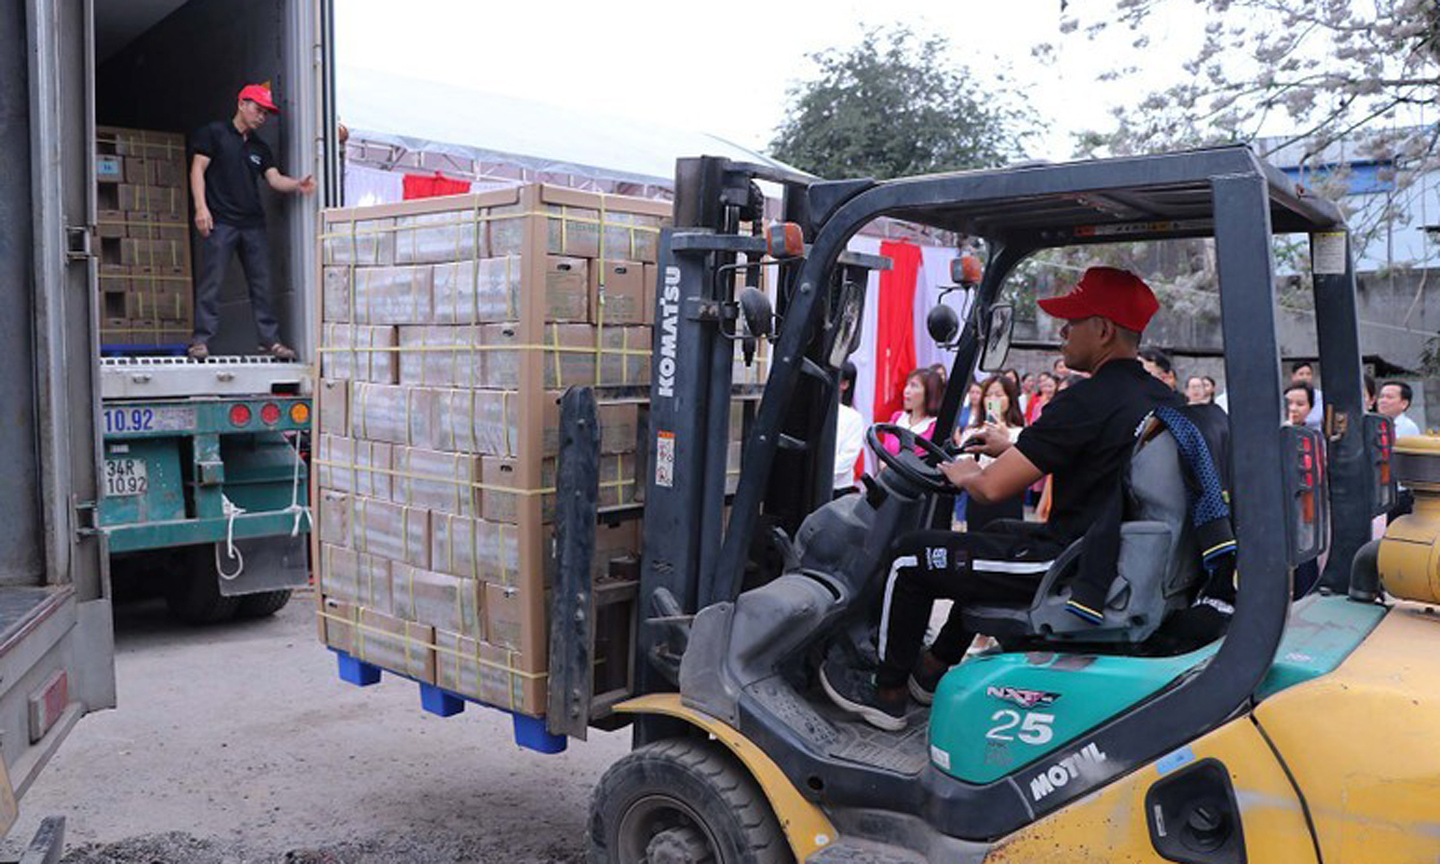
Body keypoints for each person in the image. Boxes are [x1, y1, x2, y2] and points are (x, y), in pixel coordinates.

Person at [822, 266, 1185, 730]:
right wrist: (1010, 449)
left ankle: (886, 693)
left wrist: (963, 471)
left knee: (909, 560)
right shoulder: (1156, 396)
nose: (1062, 332)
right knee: (994, 534)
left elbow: (991, 487)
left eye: (1072, 322)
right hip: (1112, 551)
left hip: (1071, 562)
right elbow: (1094, 455)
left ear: (1104, 330)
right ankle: (931, 671)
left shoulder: (1085, 399)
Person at [188, 83, 315, 361]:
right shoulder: (214, 134)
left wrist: (297, 184)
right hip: (221, 222)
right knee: (213, 282)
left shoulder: (259, 147)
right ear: (241, 104)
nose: (261, 117)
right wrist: (201, 208)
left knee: (262, 284)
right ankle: (201, 340)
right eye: (258, 109)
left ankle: (270, 341)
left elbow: (274, 179)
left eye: (266, 113)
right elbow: (198, 169)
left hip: (252, 225)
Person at [956, 375, 1026, 530]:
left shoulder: (1020, 433)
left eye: (999, 395)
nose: (993, 400)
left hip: (1008, 499)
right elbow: (962, 461)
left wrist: (1005, 438)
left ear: (1010, 399)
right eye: (988, 395)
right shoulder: (973, 432)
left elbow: (1023, 467)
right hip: (977, 497)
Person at [878, 368, 941, 456]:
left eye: (914, 386)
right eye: (907, 385)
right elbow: (884, 452)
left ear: (929, 392)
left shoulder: (935, 427)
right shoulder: (897, 417)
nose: (906, 391)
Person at [834, 362, 866, 495]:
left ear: (845, 384)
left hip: (838, 487)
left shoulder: (853, 417)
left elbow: (848, 456)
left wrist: (821, 472)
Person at [1291, 362, 1323, 428]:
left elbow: (1315, 418)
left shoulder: (1318, 395)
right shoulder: (1288, 395)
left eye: (1308, 374)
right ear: (1293, 377)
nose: (1305, 377)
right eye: (1301, 374)